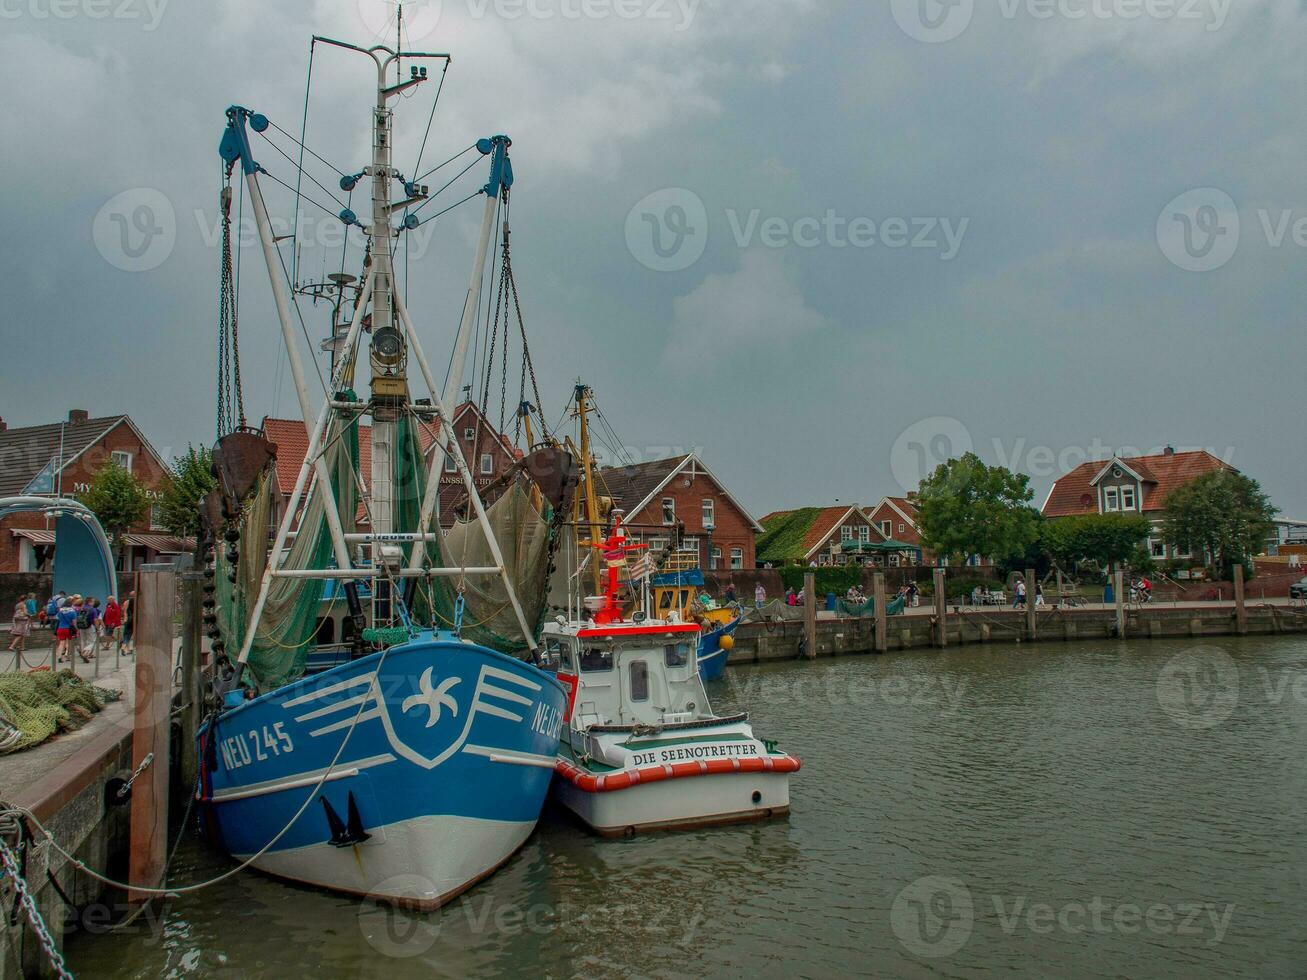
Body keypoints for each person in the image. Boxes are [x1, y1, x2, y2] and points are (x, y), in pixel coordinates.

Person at [54, 598, 79, 663]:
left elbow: (58, 619)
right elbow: (74, 622)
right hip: (68, 629)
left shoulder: (60, 611)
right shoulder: (72, 611)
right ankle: (68, 656)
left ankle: (59, 657)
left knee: (61, 643)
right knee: (69, 642)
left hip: (60, 628)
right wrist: (77, 629)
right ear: (71, 604)